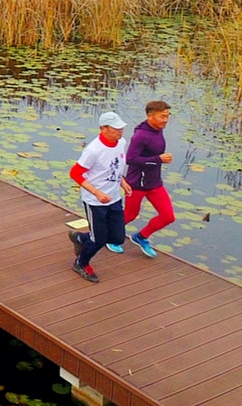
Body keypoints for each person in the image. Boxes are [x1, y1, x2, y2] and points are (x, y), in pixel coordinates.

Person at [68, 111, 133, 283]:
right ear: (103, 129)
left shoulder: (121, 143)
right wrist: (96, 192)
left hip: (114, 198)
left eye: (121, 128)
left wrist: (122, 182)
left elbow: (115, 166)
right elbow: (75, 173)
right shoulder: (93, 150)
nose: (120, 131)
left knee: (117, 238)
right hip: (95, 201)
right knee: (98, 239)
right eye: (116, 129)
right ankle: (81, 263)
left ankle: (80, 238)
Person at [124, 100, 176, 257]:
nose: (165, 120)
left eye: (167, 116)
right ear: (150, 116)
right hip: (137, 183)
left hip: (154, 183)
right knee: (129, 215)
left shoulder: (158, 129)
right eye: (162, 117)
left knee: (168, 216)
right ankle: (106, 236)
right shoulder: (140, 136)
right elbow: (130, 159)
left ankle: (141, 237)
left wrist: (157, 160)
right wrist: (158, 159)